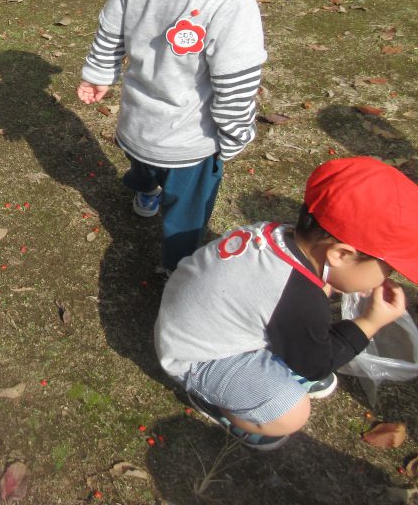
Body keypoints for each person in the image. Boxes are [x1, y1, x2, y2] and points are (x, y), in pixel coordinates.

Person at [77, 0, 286, 272]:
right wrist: (235, 138)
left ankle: (145, 191)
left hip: (136, 126)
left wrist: (99, 74)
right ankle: (178, 270)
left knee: (145, 166)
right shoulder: (232, 1)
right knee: (187, 218)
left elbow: (109, 30)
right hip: (190, 147)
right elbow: (235, 86)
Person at [155, 157, 418, 450]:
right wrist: (370, 322)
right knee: (291, 414)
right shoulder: (297, 298)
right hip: (197, 358)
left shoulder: (280, 236)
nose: (389, 276)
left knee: (318, 294)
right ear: (341, 254)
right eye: (389, 268)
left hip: (190, 319)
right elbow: (318, 365)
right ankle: (216, 401)